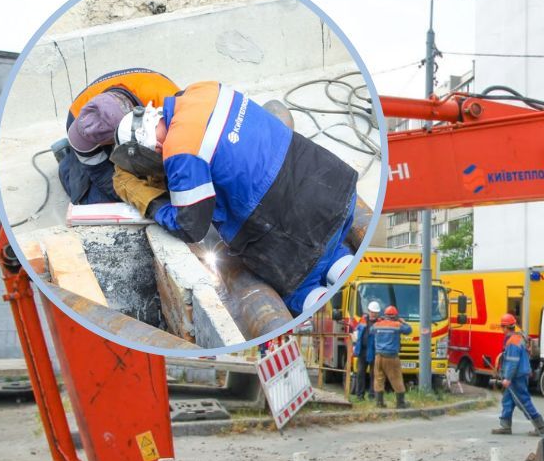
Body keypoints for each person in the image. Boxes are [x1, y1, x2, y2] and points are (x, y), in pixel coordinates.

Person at [114, 81, 360, 314]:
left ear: (153, 146)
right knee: (332, 250)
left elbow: (190, 227)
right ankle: (355, 281)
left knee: (301, 288)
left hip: (298, 230)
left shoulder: (180, 152)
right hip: (337, 188)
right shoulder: (201, 90)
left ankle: (336, 324)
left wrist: (153, 203)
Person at [55, 68, 179, 207]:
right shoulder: (79, 119)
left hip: (150, 102)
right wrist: (139, 198)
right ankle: (68, 162)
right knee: (97, 201)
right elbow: (102, 175)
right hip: (93, 129)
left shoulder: (169, 102)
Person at [491, 314, 544, 436]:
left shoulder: (512, 341)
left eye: (502, 327)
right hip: (520, 374)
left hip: (517, 377)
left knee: (523, 400)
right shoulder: (519, 337)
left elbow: (513, 362)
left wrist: (508, 378)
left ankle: (540, 427)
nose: (502, 329)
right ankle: (505, 426)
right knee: (507, 400)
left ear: (506, 327)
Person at [371, 306, 410, 409]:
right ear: (395, 316)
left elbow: (371, 330)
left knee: (379, 379)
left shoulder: (377, 325)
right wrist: (403, 322)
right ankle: (400, 403)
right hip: (391, 357)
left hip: (378, 356)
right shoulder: (397, 325)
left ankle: (379, 403)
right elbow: (408, 330)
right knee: (396, 379)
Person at [351, 301, 381, 399]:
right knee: (360, 373)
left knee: (374, 374)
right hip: (362, 351)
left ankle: (372, 395)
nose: (373, 314)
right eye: (372, 312)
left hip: (374, 351)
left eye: (375, 312)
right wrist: (354, 346)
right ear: (368, 311)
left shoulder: (380, 323)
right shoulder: (362, 320)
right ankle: (360, 395)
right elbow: (356, 333)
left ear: (378, 313)